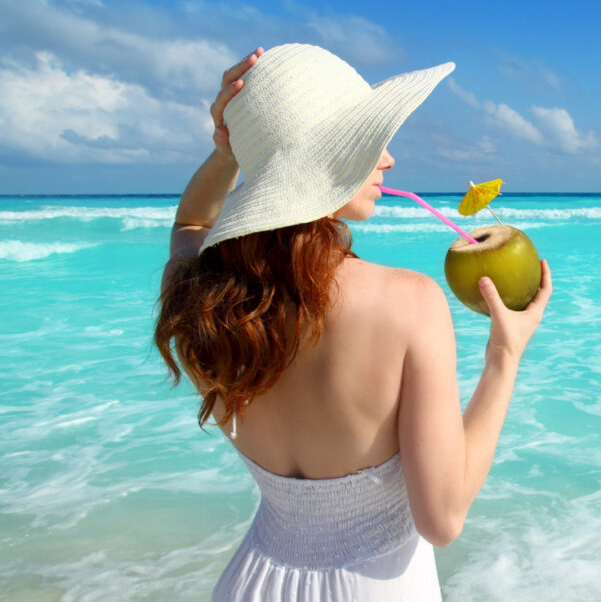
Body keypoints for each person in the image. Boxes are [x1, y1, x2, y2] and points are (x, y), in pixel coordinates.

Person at [154, 44, 553, 601]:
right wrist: (504, 356)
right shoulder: (409, 301)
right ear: (320, 161)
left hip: (254, 582)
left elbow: (193, 221)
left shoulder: (203, 297)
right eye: (367, 141)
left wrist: (229, 152)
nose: (387, 158)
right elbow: (441, 519)